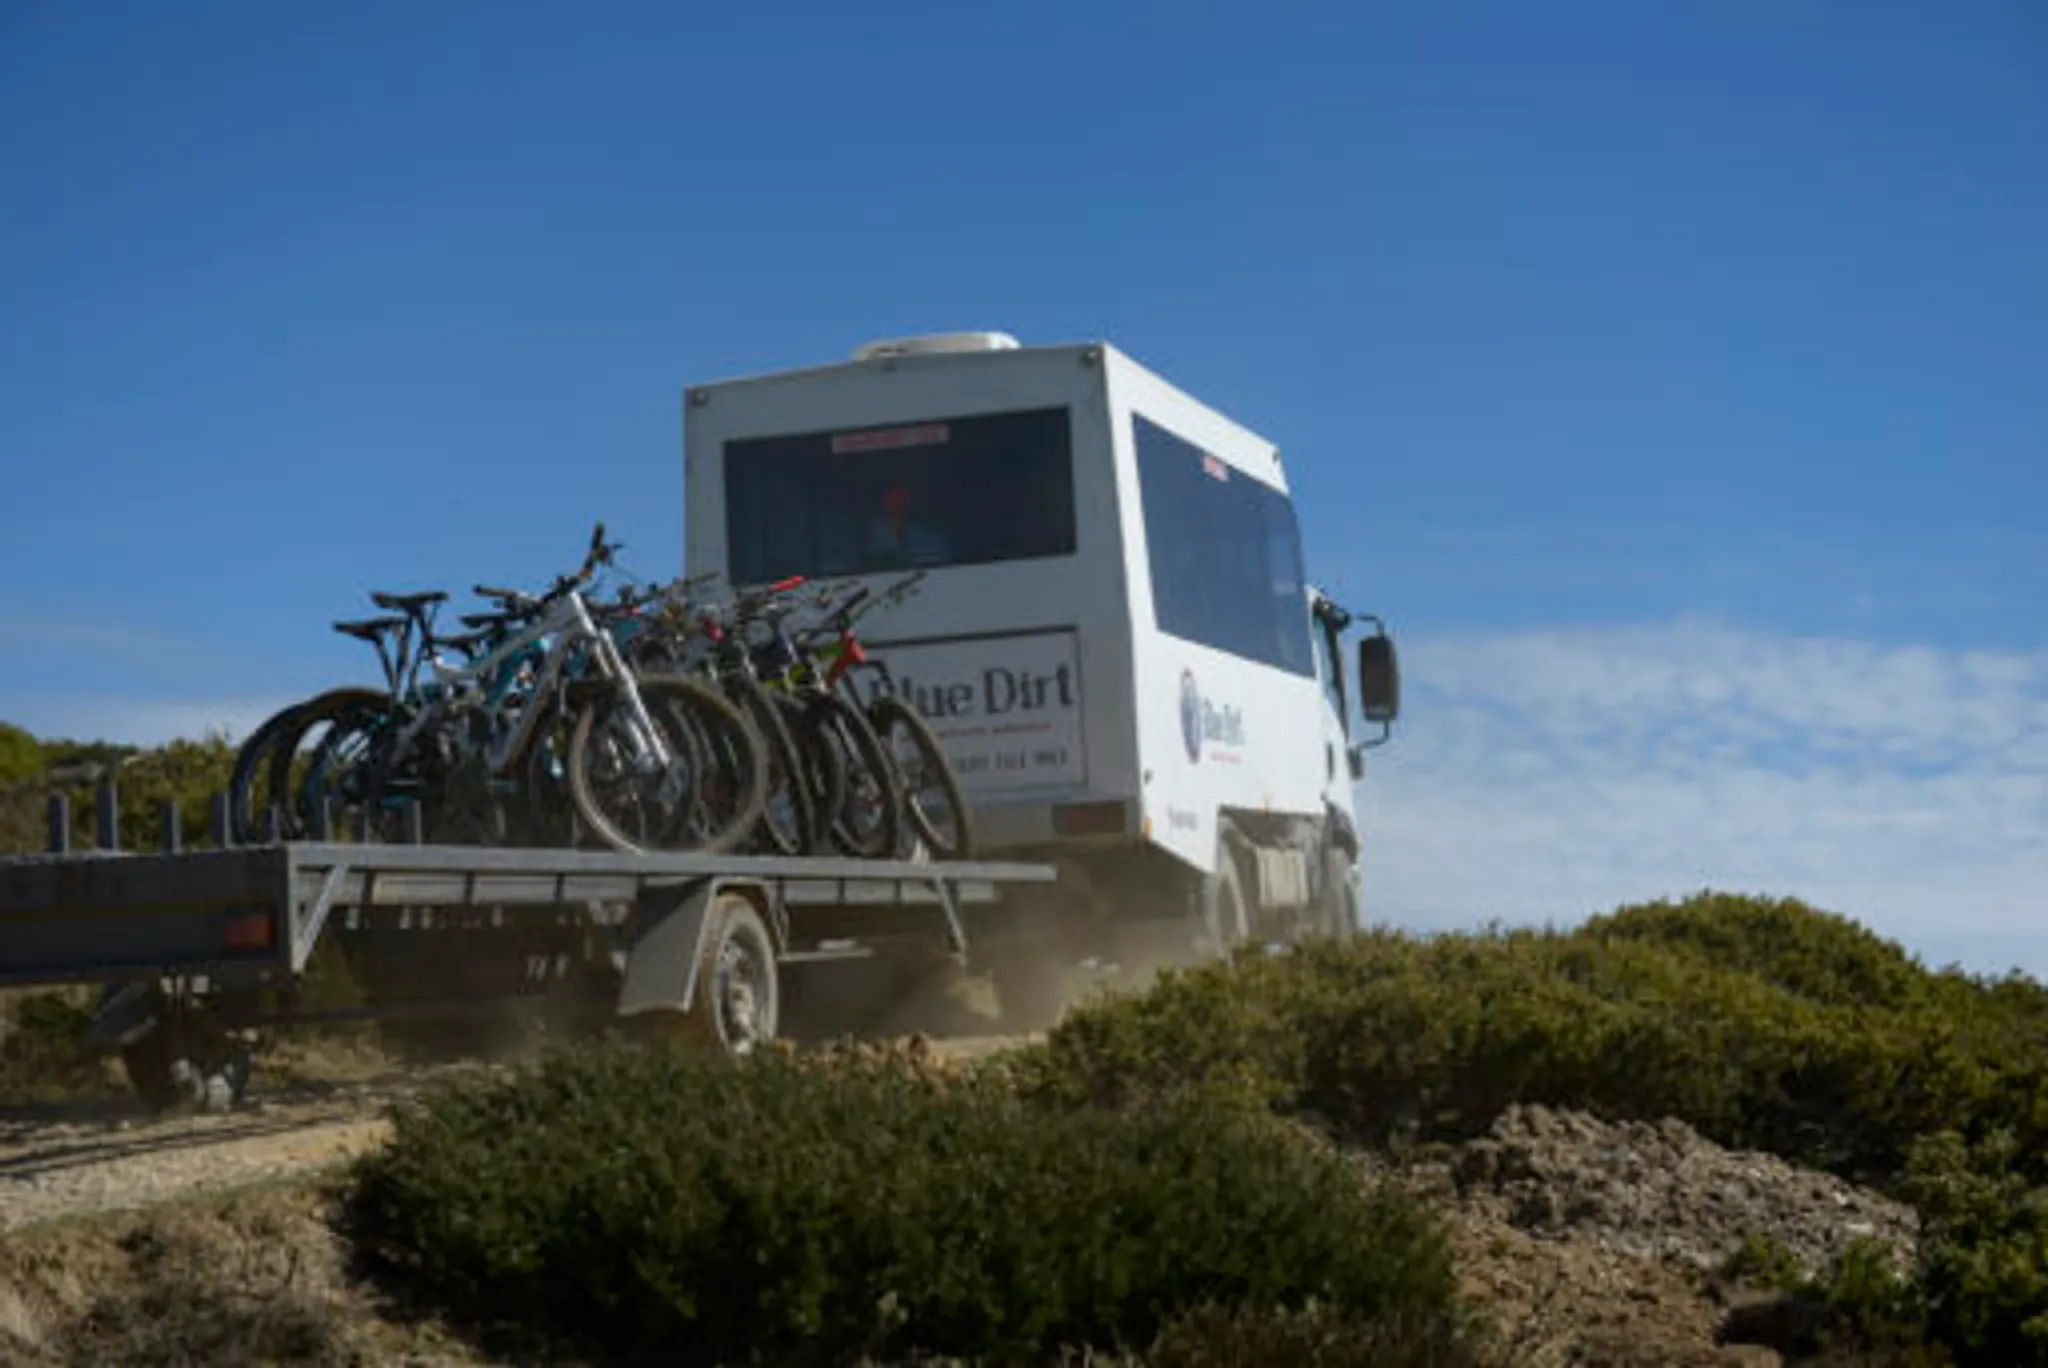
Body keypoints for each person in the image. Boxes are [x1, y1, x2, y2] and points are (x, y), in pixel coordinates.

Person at [867, 481, 952, 567]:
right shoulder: (870, 538)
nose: (895, 502)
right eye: (889, 498)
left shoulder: (931, 539)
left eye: (899, 497)